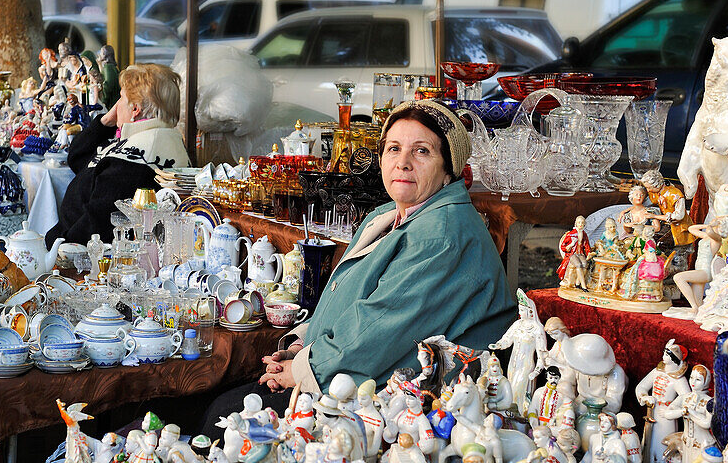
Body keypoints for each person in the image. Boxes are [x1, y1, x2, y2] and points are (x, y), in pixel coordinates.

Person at [201, 100, 514, 431]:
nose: (403, 163)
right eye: (394, 149)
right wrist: (299, 346)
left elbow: (381, 327)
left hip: (418, 404)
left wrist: (303, 370)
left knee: (226, 419)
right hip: (356, 368)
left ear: (449, 168)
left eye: (422, 152)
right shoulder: (390, 215)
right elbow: (353, 302)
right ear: (380, 159)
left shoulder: (441, 235)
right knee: (220, 405)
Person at [44, 63, 190, 246]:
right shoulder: (149, 137)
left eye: (120, 98)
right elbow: (78, 159)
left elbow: (97, 224)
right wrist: (105, 122)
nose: (116, 105)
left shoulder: (139, 157)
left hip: (79, 251)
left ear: (135, 109)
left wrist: (59, 243)